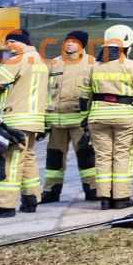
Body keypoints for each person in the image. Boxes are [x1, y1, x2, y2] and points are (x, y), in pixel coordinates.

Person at [0, 30, 49, 219]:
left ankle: (4, 206)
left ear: (21, 42)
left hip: (15, 119)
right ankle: (31, 199)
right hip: (34, 120)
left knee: (9, 162)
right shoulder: (41, 62)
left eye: (11, 42)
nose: (8, 47)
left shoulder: (18, 60)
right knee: (28, 159)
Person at [85, 24, 133, 210]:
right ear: (126, 46)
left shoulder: (94, 66)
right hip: (124, 117)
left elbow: (84, 96)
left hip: (98, 117)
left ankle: (105, 198)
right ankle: (121, 198)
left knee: (102, 157)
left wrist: (85, 117)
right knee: (122, 156)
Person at [42, 30, 98, 203]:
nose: (69, 44)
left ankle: (92, 189)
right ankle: (51, 191)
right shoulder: (54, 64)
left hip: (80, 121)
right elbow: (44, 91)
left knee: (86, 156)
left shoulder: (92, 64)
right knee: (54, 157)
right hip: (56, 121)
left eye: (74, 41)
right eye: (67, 40)